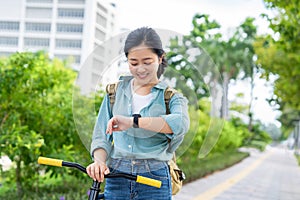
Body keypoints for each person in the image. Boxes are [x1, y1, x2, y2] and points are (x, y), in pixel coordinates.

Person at [87, 27, 190, 200]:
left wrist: (133, 122)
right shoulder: (114, 93)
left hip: (155, 177)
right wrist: (99, 161)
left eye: (147, 62)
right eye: (133, 63)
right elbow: (101, 137)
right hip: (117, 176)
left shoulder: (171, 97)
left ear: (160, 58)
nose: (140, 69)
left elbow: (180, 124)